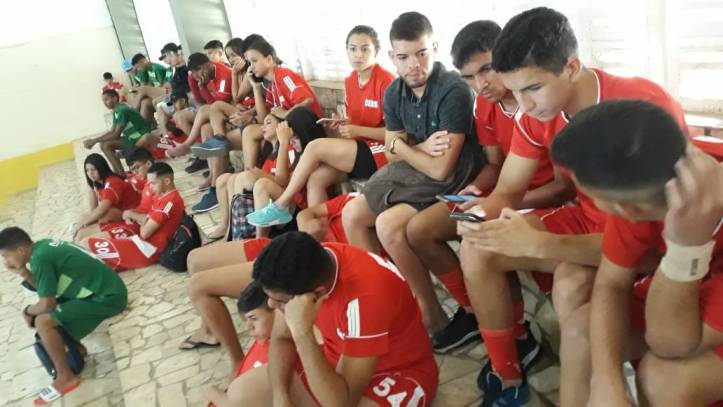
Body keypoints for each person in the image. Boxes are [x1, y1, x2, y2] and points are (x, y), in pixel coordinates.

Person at [455, 7, 687, 406]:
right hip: (589, 220)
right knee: (478, 246)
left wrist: (538, 243)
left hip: (645, 234)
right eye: (515, 91)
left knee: (570, 286)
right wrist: (479, 216)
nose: (524, 105)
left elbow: (653, 239)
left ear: (571, 67)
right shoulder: (537, 114)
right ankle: (508, 372)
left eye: (533, 88)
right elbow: (507, 190)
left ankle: (600, 380)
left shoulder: (640, 108)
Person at [549, 100, 723, 407]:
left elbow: (670, 343)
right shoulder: (652, 175)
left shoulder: (646, 195)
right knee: (580, 334)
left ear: (627, 210)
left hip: (692, 302)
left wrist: (685, 249)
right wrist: (605, 382)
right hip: (694, 287)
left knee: (664, 381)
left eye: (588, 195)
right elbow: (611, 283)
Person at [340, 12, 484, 332]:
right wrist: (413, 148)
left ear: (435, 49)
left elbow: (441, 168)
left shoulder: (453, 90)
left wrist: (403, 147)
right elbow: (392, 155)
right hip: (418, 174)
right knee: (352, 215)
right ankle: (385, 302)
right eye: (404, 57)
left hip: (460, 178)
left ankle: (430, 313)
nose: (414, 65)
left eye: (422, 53)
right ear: (393, 56)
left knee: (389, 225)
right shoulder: (395, 92)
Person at [248, 232, 438, 406]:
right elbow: (282, 338)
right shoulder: (310, 264)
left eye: (280, 301)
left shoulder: (366, 298)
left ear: (317, 294)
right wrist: (280, 396)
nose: (271, 305)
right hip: (339, 360)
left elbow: (340, 403)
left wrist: (302, 333)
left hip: (398, 371)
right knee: (241, 396)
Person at [247, 25, 396, 226]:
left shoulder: (387, 82)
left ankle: (281, 205)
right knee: (316, 179)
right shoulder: (351, 80)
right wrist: (342, 122)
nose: (358, 55)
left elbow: (395, 134)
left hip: (382, 152)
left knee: (315, 147)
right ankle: (321, 235)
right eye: (352, 49)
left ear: (376, 51)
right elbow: (356, 120)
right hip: (359, 149)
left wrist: (357, 130)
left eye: (365, 49)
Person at [0, 227, 127, 405]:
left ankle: (66, 377)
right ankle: (76, 349)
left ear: (20, 250)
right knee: (48, 313)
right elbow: (45, 290)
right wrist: (23, 272)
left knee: (43, 321)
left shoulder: (40, 259)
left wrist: (28, 311)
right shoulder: (42, 248)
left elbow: (47, 303)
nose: (5, 262)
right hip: (104, 291)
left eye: (6, 256)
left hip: (108, 298)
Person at [208, 107, 325, 239]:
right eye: (291, 137)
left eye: (295, 137)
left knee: (260, 183)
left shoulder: (302, 153)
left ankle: (257, 239)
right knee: (229, 179)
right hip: (282, 208)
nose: (292, 141)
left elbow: (282, 180)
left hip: (296, 211)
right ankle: (232, 231)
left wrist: (283, 142)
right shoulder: (286, 153)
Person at [236, 38, 322, 177]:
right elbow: (264, 118)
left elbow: (307, 100)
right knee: (251, 132)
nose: (251, 67)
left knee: (251, 133)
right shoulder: (272, 85)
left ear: (269, 59)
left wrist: (286, 114)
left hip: (308, 131)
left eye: (254, 61)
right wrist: (256, 88)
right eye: (249, 63)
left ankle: (251, 176)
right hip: (287, 129)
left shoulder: (284, 75)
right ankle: (251, 175)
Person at [81, 162, 185, 271]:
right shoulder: (161, 196)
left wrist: (139, 219)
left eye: (153, 183)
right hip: (141, 242)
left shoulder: (169, 202)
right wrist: (142, 220)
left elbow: (144, 232)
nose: (150, 187)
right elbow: (145, 219)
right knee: (86, 243)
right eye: (149, 183)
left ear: (167, 181)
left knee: (87, 245)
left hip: (148, 249)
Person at [206, 281, 276, 407]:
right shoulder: (264, 340)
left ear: (279, 311)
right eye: (246, 319)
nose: (249, 326)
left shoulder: (278, 357)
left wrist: (212, 392)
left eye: (254, 319)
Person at [83, 89, 160, 174]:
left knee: (106, 145)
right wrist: (94, 140)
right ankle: (117, 171)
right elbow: (112, 131)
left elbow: (116, 134)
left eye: (106, 99)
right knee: (103, 144)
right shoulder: (116, 111)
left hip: (139, 134)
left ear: (115, 98)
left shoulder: (122, 111)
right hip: (132, 136)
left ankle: (120, 173)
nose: (105, 103)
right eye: (103, 101)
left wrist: (94, 141)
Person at [73, 154, 140, 241]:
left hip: (131, 215)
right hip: (118, 214)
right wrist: (92, 191)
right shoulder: (97, 184)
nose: (90, 173)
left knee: (103, 215)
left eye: (93, 169)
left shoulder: (112, 182)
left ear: (101, 168)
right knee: (84, 217)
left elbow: (101, 209)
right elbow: (93, 211)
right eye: (87, 170)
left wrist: (80, 224)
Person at [129, 53, 172, 125]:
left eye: (138, 67)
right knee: (144, 102)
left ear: (142, 62)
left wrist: (148, 91)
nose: (139, 70)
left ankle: (134, 111)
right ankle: (144, 126)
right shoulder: (148, 70)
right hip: (159, 93)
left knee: (143, 89)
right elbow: (150, 84)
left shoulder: (157, 68)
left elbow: (163, 86)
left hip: (166, 91)